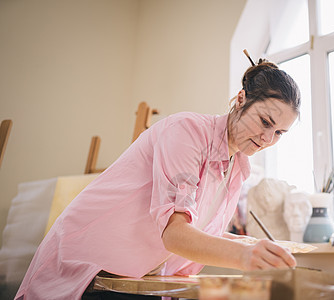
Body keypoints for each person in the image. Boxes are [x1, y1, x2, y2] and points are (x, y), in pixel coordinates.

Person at [15, 52, 301, 300]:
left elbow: (197, 231)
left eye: (279, 133)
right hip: (84, 266)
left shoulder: (237, 167)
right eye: (265, 122)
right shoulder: (187, 132)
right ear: (241, 100)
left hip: (133, 275)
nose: (267, 138)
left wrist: (255, 247)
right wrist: (244, 257)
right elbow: (176, 234)